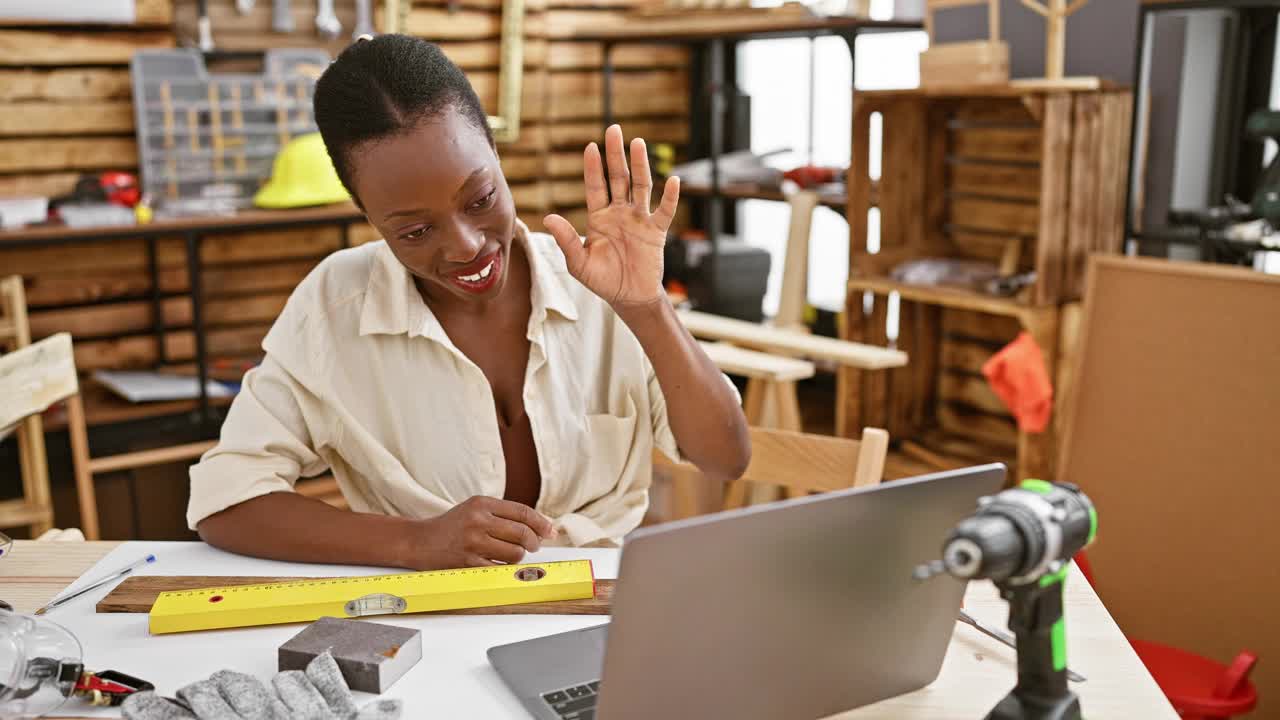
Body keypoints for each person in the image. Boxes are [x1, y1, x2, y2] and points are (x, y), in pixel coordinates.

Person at [187, 35, 751, 570]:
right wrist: (415, 541)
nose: (466, 246)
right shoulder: (336, 307)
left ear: (497, 154)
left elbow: (727, 458)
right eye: (413, 232)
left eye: (480, 198)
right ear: (368, 217)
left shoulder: (599, 283)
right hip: (430, 625)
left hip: (597, 607)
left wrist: (647, 306)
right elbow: (225, 503)